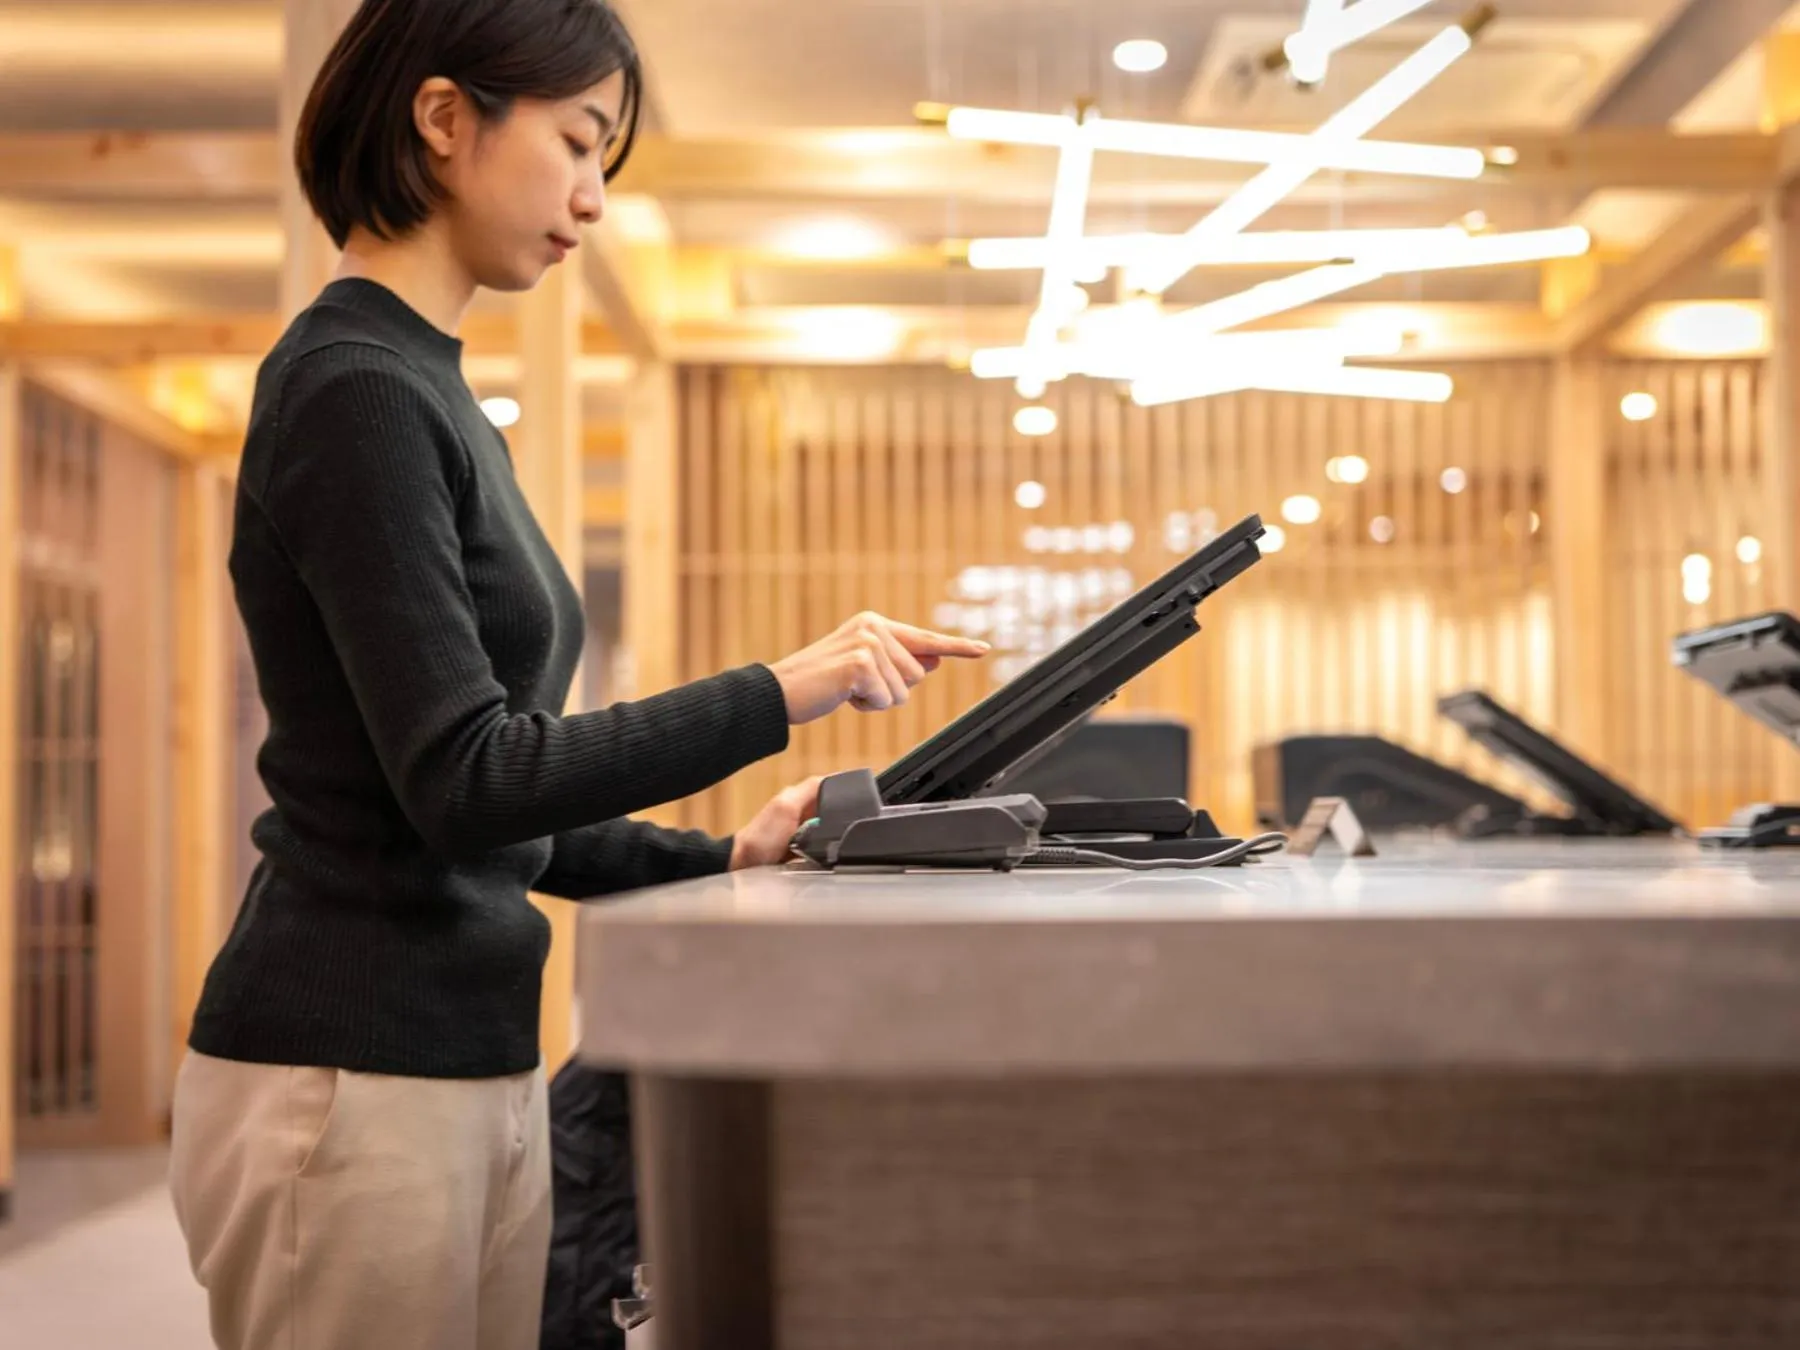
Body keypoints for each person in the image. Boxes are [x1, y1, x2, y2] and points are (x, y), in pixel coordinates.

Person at [165, 3, 987, 1348]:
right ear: (444, 119)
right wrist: (781, 689)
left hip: (462, 1059)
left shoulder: (428, 391)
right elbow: (469, 780)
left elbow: (489, 809)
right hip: (348, 1068)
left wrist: (719, 859)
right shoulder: (354, 387)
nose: (595, 199)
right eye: (578, 142)